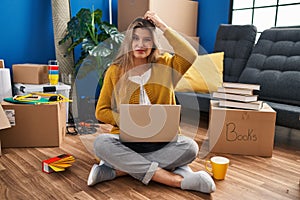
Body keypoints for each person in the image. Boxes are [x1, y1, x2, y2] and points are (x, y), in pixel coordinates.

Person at [88, 11, 216, 194]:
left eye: (147, 39)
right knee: (101, 143)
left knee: (190, 148)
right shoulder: (115, 71)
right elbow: (101, 111)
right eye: (136, 39)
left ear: (154, 43)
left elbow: (191, 54)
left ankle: (118, 171)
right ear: (129, 43)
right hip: (126, 140)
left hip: (162, 140)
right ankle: (175, 179)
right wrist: (127, 120)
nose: (141, 45)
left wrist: (162, 25)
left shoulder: (167, 65)